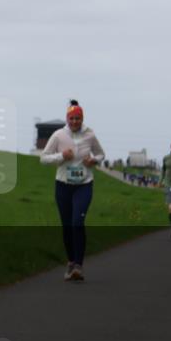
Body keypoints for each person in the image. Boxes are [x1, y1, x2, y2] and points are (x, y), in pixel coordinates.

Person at [41, 100, 106, 280]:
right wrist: (62, 155)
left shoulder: (90, 135)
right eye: (72, 118)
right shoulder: (58, 135)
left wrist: (94, 160)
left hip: (84, 184)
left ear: (82, 118)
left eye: (78, 118)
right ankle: (70, 261)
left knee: (78, 222)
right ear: (67, 119)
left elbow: (101, 154)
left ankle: (78, 265)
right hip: (63, 185)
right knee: (67, 225)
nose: (75, 121)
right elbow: (44, 158)